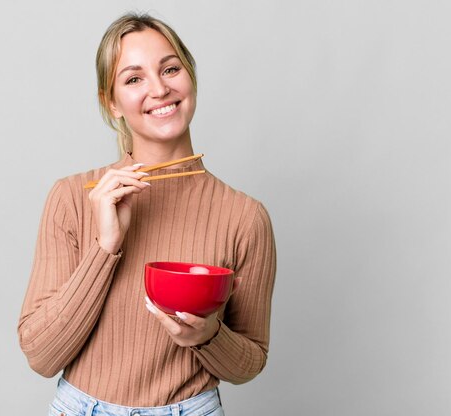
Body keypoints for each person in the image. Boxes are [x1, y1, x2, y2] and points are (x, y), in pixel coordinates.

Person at [18, 12, 276, 416]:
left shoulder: (245, 217)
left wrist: (208, 336)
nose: (159, 88)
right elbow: (41, 356)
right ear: (112, 102)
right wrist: (106, 248)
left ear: (190, 77)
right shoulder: (72, 198)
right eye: (134, 78)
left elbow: (250, 362)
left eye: (170, 68)